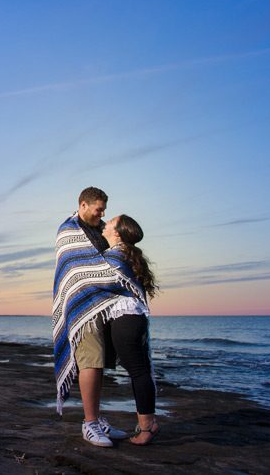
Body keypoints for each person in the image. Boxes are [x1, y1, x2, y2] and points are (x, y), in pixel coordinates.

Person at [52, 187, 129, 447]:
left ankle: (96, 418)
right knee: (90, 362)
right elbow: (77, 269)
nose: (102, 214)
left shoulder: (100, 229)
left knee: (101, 363)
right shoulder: (69, 230)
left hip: (104, 304)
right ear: (83, 205)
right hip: (81, 308)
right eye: (98, 209)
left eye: (104, 209)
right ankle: (89, 424)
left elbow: (113, 258)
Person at [102, 214, 160, 445]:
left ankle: (147, 427)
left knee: (138, 371)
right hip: (134, 317)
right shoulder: (126, 255)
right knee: (140, 370)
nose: (105, 225)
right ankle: (148, 423)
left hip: (125, 317)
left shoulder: (114, 256)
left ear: (117, 232)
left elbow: (96, 283)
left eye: (110, 223)